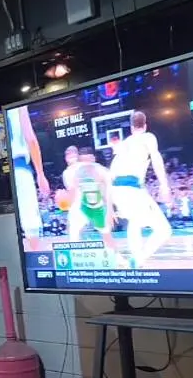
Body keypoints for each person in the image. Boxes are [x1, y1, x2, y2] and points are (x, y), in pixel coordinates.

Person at [108, 110, 173, 268]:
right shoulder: (148, 137)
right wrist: (164, 185)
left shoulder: (123, 145)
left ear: (131, 128)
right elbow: (156, 158)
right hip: (131, 187)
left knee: (135, 221)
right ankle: (137, 260)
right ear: (145, 126)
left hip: (116, 189)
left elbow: (111, 174)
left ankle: (136, 260)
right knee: (164, 230)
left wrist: (109, 204)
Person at [63, 148, 124, 263]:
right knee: (74, 232)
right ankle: (77, 260)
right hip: (79, 205)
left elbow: (107, 183)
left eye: (73, 153)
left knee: (105, 233)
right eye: (68, 154)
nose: (71, 156)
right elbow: (72, 192)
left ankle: (117, 258)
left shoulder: (93, 167)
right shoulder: (67, 173)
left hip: (95, 202)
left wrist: (110, 208)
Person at [9, 106, 51, 240]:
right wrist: (40, 174)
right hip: (19, 168)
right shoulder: (18, 106)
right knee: (31, 232)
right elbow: (31, 140)